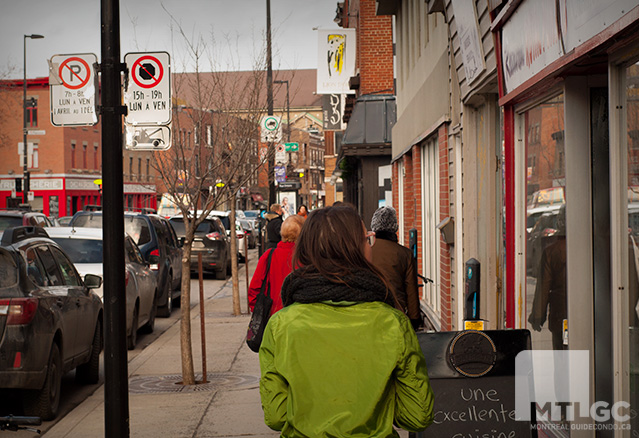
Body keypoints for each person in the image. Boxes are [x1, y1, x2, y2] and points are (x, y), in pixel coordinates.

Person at [259, 206, 434, 437]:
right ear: (356, 251)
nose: (370, 246)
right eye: (367, 239)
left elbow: (277, 415)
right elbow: (417, 415)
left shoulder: (280, 325)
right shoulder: (393, 323)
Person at [369, 206, 421, 330]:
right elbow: (411, 290)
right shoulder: (405, 254)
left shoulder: (366, 253)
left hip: (370, 314)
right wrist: (414, 320)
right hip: (397, 315)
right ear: (395, 228)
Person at [249, 215, 304, 316]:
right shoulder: (306, 257)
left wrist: (259, 311)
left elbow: (254, 288)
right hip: (301, 317)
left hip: (274, 316)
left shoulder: (269, 255)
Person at [528, 204, 567, 350]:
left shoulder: (551, 251)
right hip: (588, 314)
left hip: (560, 314)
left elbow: (543, 287)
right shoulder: (590, 249)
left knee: (561, 357)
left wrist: (538, 316)